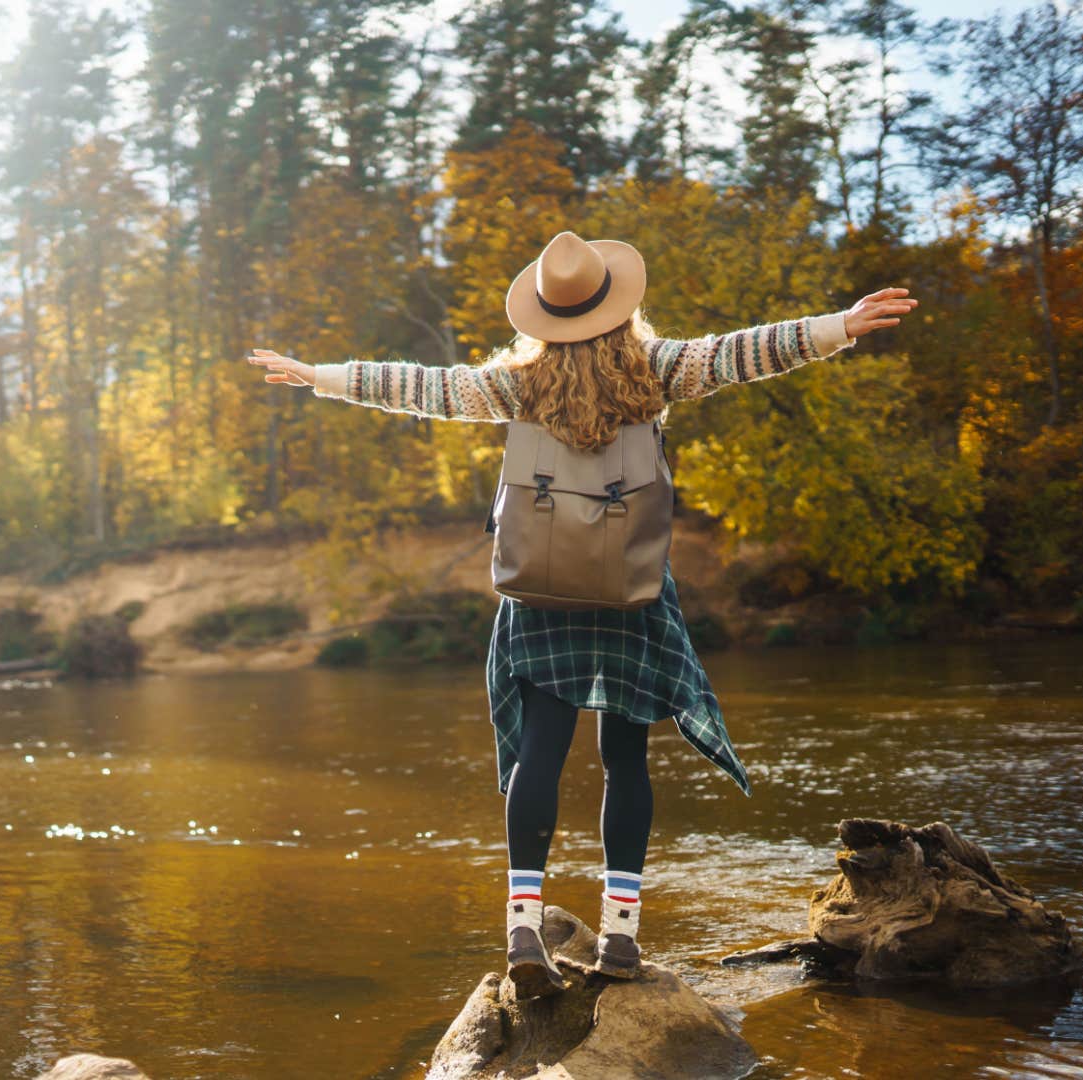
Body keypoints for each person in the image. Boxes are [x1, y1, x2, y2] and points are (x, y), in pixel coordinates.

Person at [246, 230, 917, 997]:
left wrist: (321, 375)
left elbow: (423, 387)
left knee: (539, 754)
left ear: (545, 316)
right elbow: (745, 353)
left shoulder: (517, 385)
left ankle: (523, 929)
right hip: (630, 587)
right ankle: (621, 939)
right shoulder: (657, 370)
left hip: (540, 588)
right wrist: (839, 325)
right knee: (625, 758)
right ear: (618, 305)